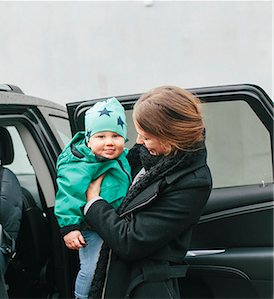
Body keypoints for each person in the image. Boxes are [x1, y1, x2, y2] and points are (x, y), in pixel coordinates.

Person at [84, 86, 212, 298]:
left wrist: (94, 203)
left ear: (170, 137)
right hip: (119, 277)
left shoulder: (193, 183)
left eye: (146, 136)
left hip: (142, 286)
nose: (139, 142)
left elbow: (131, 242)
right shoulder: (147, 156)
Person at [54, 97, 132, 299]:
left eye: (116, 136)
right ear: (88, 140)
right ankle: (82, 296)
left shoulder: (121, 157)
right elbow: (68, 195)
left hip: (115, 224)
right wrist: (70, 228)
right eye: (101, 136)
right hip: (92, 228)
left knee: (111, 268)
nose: (109, 142)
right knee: (91, 269)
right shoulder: (81, 164)